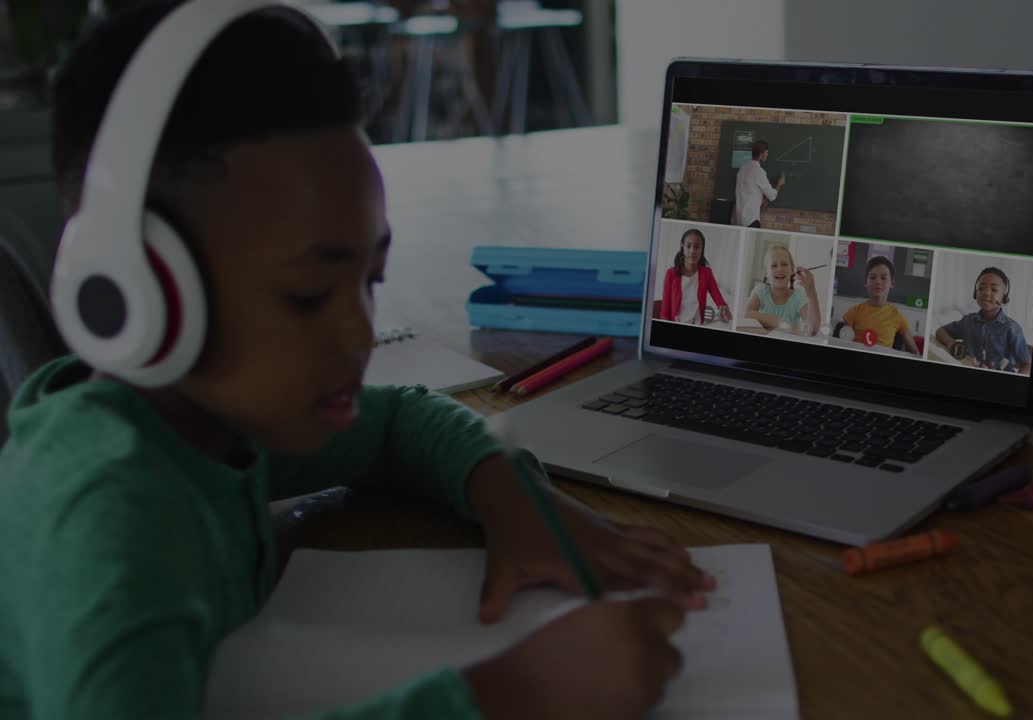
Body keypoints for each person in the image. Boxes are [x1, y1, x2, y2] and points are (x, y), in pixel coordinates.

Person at [0, 5, 714, 720]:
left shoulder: (205, 424)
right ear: (136, 291)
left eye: (371, 280)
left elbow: (398, 419)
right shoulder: (107, 519)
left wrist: (513, 497)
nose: (358, 333)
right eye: (308, 295)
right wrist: (508, 696)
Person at [934, 267, 1031, 373]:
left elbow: (1027, 364)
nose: (986, 292)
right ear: (975, 293)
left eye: (994, 289)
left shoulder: (1012, 328)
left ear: (1004, 298)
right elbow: (940, 331)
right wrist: (952, 343)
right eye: (981, 288)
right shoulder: (968, 321)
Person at [840, 256, 921, 355]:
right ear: (866, 283)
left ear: (892, 283)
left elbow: (914, 352)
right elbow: (843, 341)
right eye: (873, 277)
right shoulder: (854, 311)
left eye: (883, 278)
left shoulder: (898, 317)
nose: (878, 282)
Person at [659, 228, 731, 325]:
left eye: (697, 247)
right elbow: (665, 312)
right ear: (682, 247)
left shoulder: (707, 273)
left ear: (702, 249)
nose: (692, 251)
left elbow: (718, 296)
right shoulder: (671, 274)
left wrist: (724, 308)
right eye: (688, 246)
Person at [745, 245, 820, 336]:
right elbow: (748, 314)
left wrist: (811, 292)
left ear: (792, 270)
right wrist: (781, 323)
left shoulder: (798, 296)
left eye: (784, 264)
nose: (779, 268)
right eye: (774, 265)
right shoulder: (761, 291)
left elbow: (812, 330)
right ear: (766, 274)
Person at [733, 139, 785, 228]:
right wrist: (779, 185)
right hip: (751, 220)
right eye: (766, 153)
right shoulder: (759, 172)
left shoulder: (742, 169)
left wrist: (761, 199)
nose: (767, 155)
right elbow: (772, 196)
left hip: (739, 219)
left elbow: (748, 191)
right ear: (761, 155)